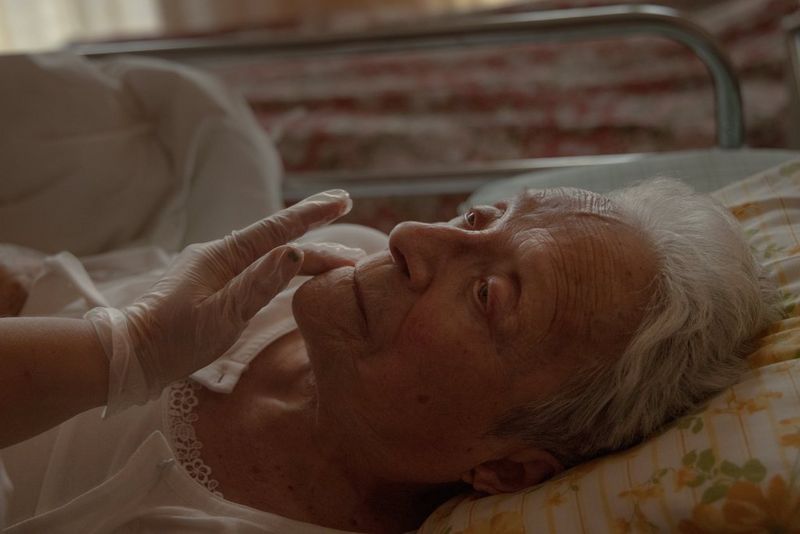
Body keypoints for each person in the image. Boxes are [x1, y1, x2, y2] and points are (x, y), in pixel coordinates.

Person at [0, 178, 778, 533]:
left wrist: (126, 351)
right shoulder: (326, 262)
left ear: (506, 470)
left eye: (487, 295)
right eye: (478, 218)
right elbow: (56, 288)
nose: (411, 236)